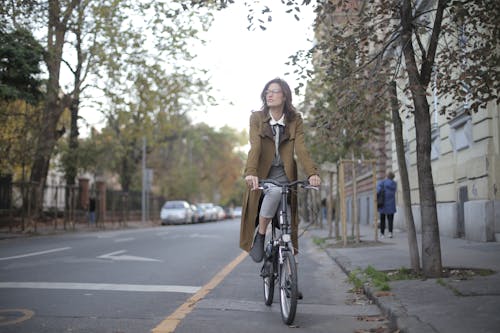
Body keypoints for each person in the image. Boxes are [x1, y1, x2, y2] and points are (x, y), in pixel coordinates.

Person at [239, 77, 321, 265]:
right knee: (275, 192)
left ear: (284, 95)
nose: (269, 94)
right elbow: (255, 147)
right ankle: (260, 236)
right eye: (267, 91)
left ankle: (291, 275)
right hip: (263, 177)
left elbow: (300, 148)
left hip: (285, 176)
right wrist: (251, 172)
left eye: (274, 91)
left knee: (289, 227)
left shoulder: (295, 119)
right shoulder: (257, 118)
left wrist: (312, 173)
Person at [377, 171, 397, 238]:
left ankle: (382, 234)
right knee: (390, 219)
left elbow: (378, 190)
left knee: (382, 219)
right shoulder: (394, 184)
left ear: (387, 176)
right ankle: (390, 233)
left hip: (383, 204)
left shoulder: (382, 183)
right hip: (391, 204)